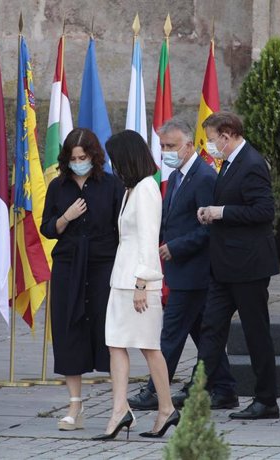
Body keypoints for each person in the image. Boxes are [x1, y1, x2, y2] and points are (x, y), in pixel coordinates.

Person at [128, 118, 238, 411]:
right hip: (180, 271)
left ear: (189, 146)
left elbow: (209, 227)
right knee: (204, 334)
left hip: (195, 271)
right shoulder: (177, 176)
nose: (166, 151)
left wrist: (175, 247)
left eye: (172, 146)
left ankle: (154, 391)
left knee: (170, 334)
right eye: (163, 146)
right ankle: (225, 389)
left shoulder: (203, 177)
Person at [93, 130, 179, 441]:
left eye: (116, 159)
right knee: (116, 343)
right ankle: (120, 409)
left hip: (138, 281)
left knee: (149, 346)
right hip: (122, 277)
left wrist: (144, 281)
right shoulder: (132, 189)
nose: (113, 166)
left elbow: (148, 236)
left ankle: (165, 407)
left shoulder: (145, 190)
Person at [196, 111, 280, 420]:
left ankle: (266, 399)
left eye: (211, 138)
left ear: (227, 135)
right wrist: (211, 212)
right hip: (225, 266)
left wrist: (222, 213)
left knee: (256, 333)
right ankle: (199, 390)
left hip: (249, 266)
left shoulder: (252, 164)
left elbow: (263, 211)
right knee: (211, 328)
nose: (210, 144)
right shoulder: (231, 162)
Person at [40, 128, 124, 432]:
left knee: (109, 333)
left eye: (83, 157)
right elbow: (47, 227)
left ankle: (120, 404)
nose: (78, 162)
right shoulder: (57, 186)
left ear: (93, 156)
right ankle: (75, 406)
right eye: (73, 158)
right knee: (68, 331)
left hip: (103, 266)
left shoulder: (111, 185)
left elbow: (121, 228)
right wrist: (66, 217)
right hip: (68, 266)